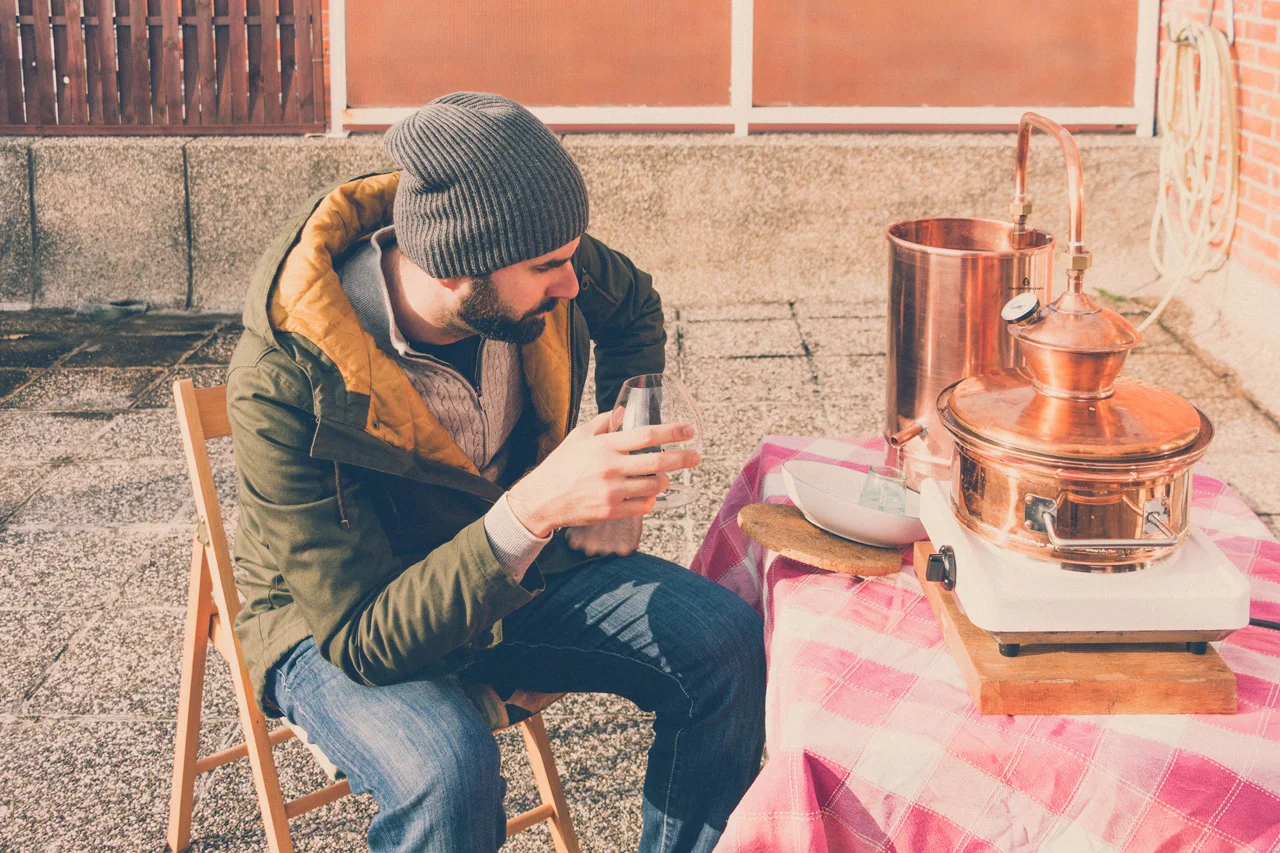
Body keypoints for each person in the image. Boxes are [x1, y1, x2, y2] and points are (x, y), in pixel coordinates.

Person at [226, 92, 766, 853]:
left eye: (570, 257)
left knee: (728, 642)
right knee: (447, 767)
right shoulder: (289, 380)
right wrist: (539, 504)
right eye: (548, 266)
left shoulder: (529, 254)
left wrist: (630, 461)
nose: (573, 283)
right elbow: (361, 634)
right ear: (454, 269)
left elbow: (633, 303)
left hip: (510, 575)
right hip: (338, 619)